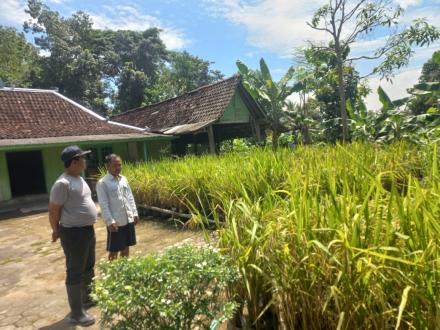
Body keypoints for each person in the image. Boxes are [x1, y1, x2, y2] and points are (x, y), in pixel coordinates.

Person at [48, 145, 96, 326]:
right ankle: (76, 313)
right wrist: (55, 231)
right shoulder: (63, 183)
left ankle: (87, 299)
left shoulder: (79, 178)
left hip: (87, 230)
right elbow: (53, 210)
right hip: (73, 233)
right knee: (75, 271)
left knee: (89, 266)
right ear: (74, 162)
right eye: (82, 158)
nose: (85, 161)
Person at [96, 154, 139, 261]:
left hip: (127, 218)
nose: (118, 168)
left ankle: (124, 270)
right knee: (114, 250)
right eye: (115, 165)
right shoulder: (103, 183)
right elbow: (103, 204)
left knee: (126, 246)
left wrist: (135, 213)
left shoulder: (123, 179)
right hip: (116, 222)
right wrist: (110, 221)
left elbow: (130, 197)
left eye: (120, 165)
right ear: (107, 166)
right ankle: (113, 274)